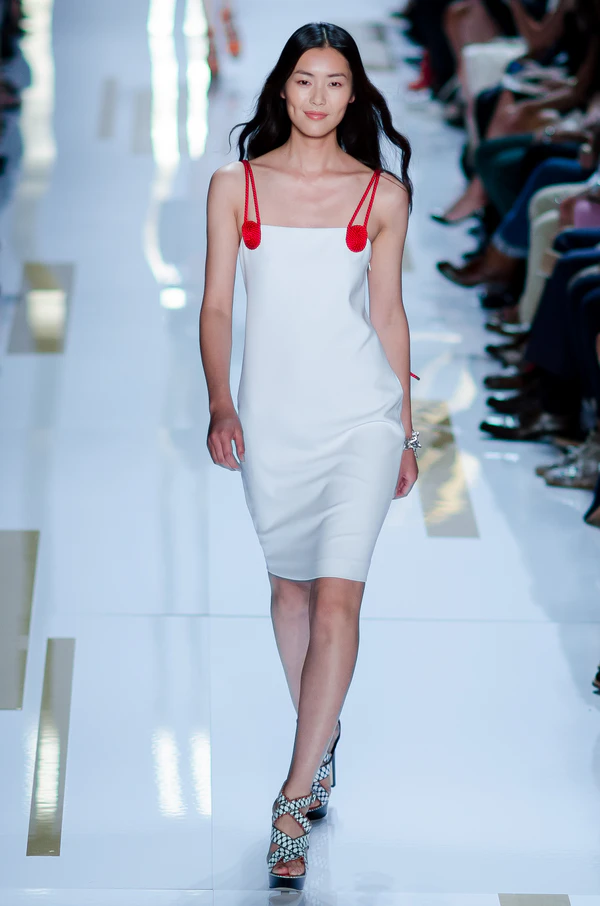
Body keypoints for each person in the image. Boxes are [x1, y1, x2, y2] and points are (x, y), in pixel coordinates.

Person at [198, 21, 418, 891]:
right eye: (304, 80)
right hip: (274, 421)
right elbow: (218, 307)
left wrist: (405, 429)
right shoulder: (236, 186)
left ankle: (292, 800)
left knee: (336, 598)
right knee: (289, 593)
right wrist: (220, 401)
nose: (318, 98)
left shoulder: (382, 197)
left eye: (335, 83)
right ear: (281, 89)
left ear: (355, 94)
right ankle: (320, 743)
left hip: (360, 418)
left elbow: (389, 316)